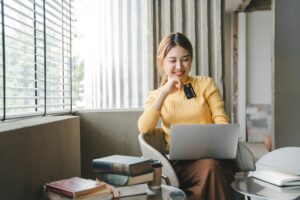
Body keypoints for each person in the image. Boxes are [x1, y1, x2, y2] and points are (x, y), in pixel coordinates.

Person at [138, 32, 236, 200]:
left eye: (185, 59)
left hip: (214, 157)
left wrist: (222, 139)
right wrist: (165, 92)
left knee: (211, 167)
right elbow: (144, 128)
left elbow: (221, 119)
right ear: (161, 61)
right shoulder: (156, 96)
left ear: (191, 60)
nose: (179, 66)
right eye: (172, 60)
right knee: (211, 170)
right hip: (181, 165)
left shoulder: (206, 84)